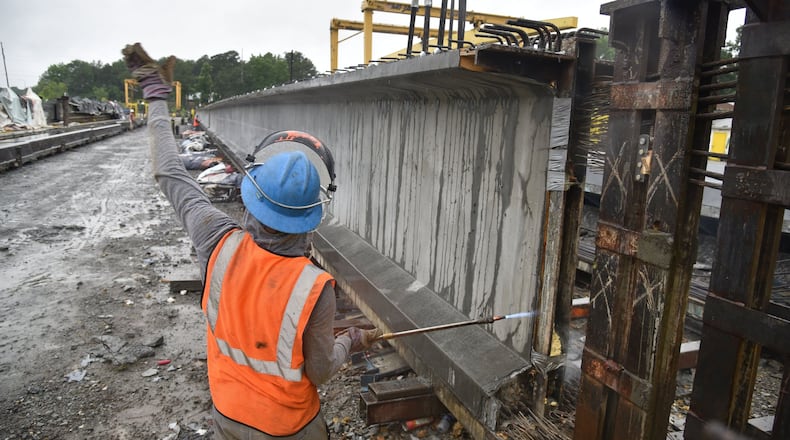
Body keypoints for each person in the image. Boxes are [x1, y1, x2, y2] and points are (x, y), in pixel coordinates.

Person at [121, 42, 380, 439]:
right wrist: (352, 340)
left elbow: (169, 172)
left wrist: (156, 95)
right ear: (310, 218)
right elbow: (321, 372)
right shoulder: (313, 288)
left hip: (227, 413)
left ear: (252, 197)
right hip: (288, 428)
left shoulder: (215, 239)